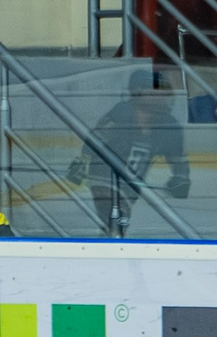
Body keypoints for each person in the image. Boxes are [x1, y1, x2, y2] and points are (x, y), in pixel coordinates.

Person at [68, 93, 192, 237]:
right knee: (116, 223)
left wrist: (181, 176)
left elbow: (177, 156)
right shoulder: (123, 112)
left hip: (129, 188)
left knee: (114, 227)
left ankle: (109, 245)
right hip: (104, 178)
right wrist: (83, 160)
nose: (164, 99)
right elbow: (97, 137)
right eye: (157, 94)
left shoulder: (169, 125)